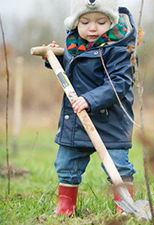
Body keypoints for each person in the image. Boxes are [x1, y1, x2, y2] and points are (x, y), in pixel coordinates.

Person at [44, 0, 137, 216]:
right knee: (66, 164)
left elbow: (119, 83)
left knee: (118, 167)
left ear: (112, 22)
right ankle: (65, 206)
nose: (92, 28)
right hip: (77, 121)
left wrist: (90, 99)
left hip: (110, 120)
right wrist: (53, 58)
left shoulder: (120, 49)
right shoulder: (74, 45)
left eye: (101, 22)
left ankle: (125, 207)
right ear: (76, 22)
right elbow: (73, 67)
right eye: (85, 22)